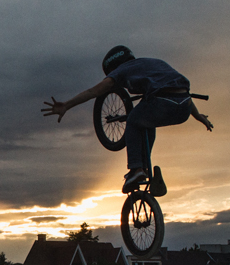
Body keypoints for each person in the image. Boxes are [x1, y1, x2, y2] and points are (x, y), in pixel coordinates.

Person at [41, 45, 213, 192]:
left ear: (112, 68)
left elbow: (93, 91)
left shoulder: (122, 71)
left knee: (133, 120)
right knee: (146, 120)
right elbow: (178, 90)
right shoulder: (154, 63)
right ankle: (145, 168)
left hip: (162, 103)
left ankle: (137, 169)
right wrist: (198, 116)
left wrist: (67, 105)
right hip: (184, 107)